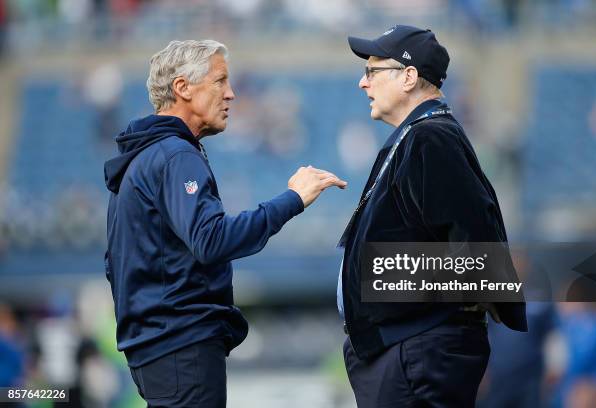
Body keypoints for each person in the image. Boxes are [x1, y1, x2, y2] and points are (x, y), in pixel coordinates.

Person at [103, 39, 346, 407]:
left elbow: (114, 263)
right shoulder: (174, 155)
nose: (230, 94)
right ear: (182, 88)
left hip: (156, 346)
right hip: (180, 344)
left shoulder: (144, 158)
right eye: (219, 81)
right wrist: (292, 199)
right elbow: (211, 240)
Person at [338, 25, 527, 407]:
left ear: (409, 77)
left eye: (372, 71)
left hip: (417, 350)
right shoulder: (418, 136)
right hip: (407, 347)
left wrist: (385, 283)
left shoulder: (431, 137)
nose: (362, 83)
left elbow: (480, 258)